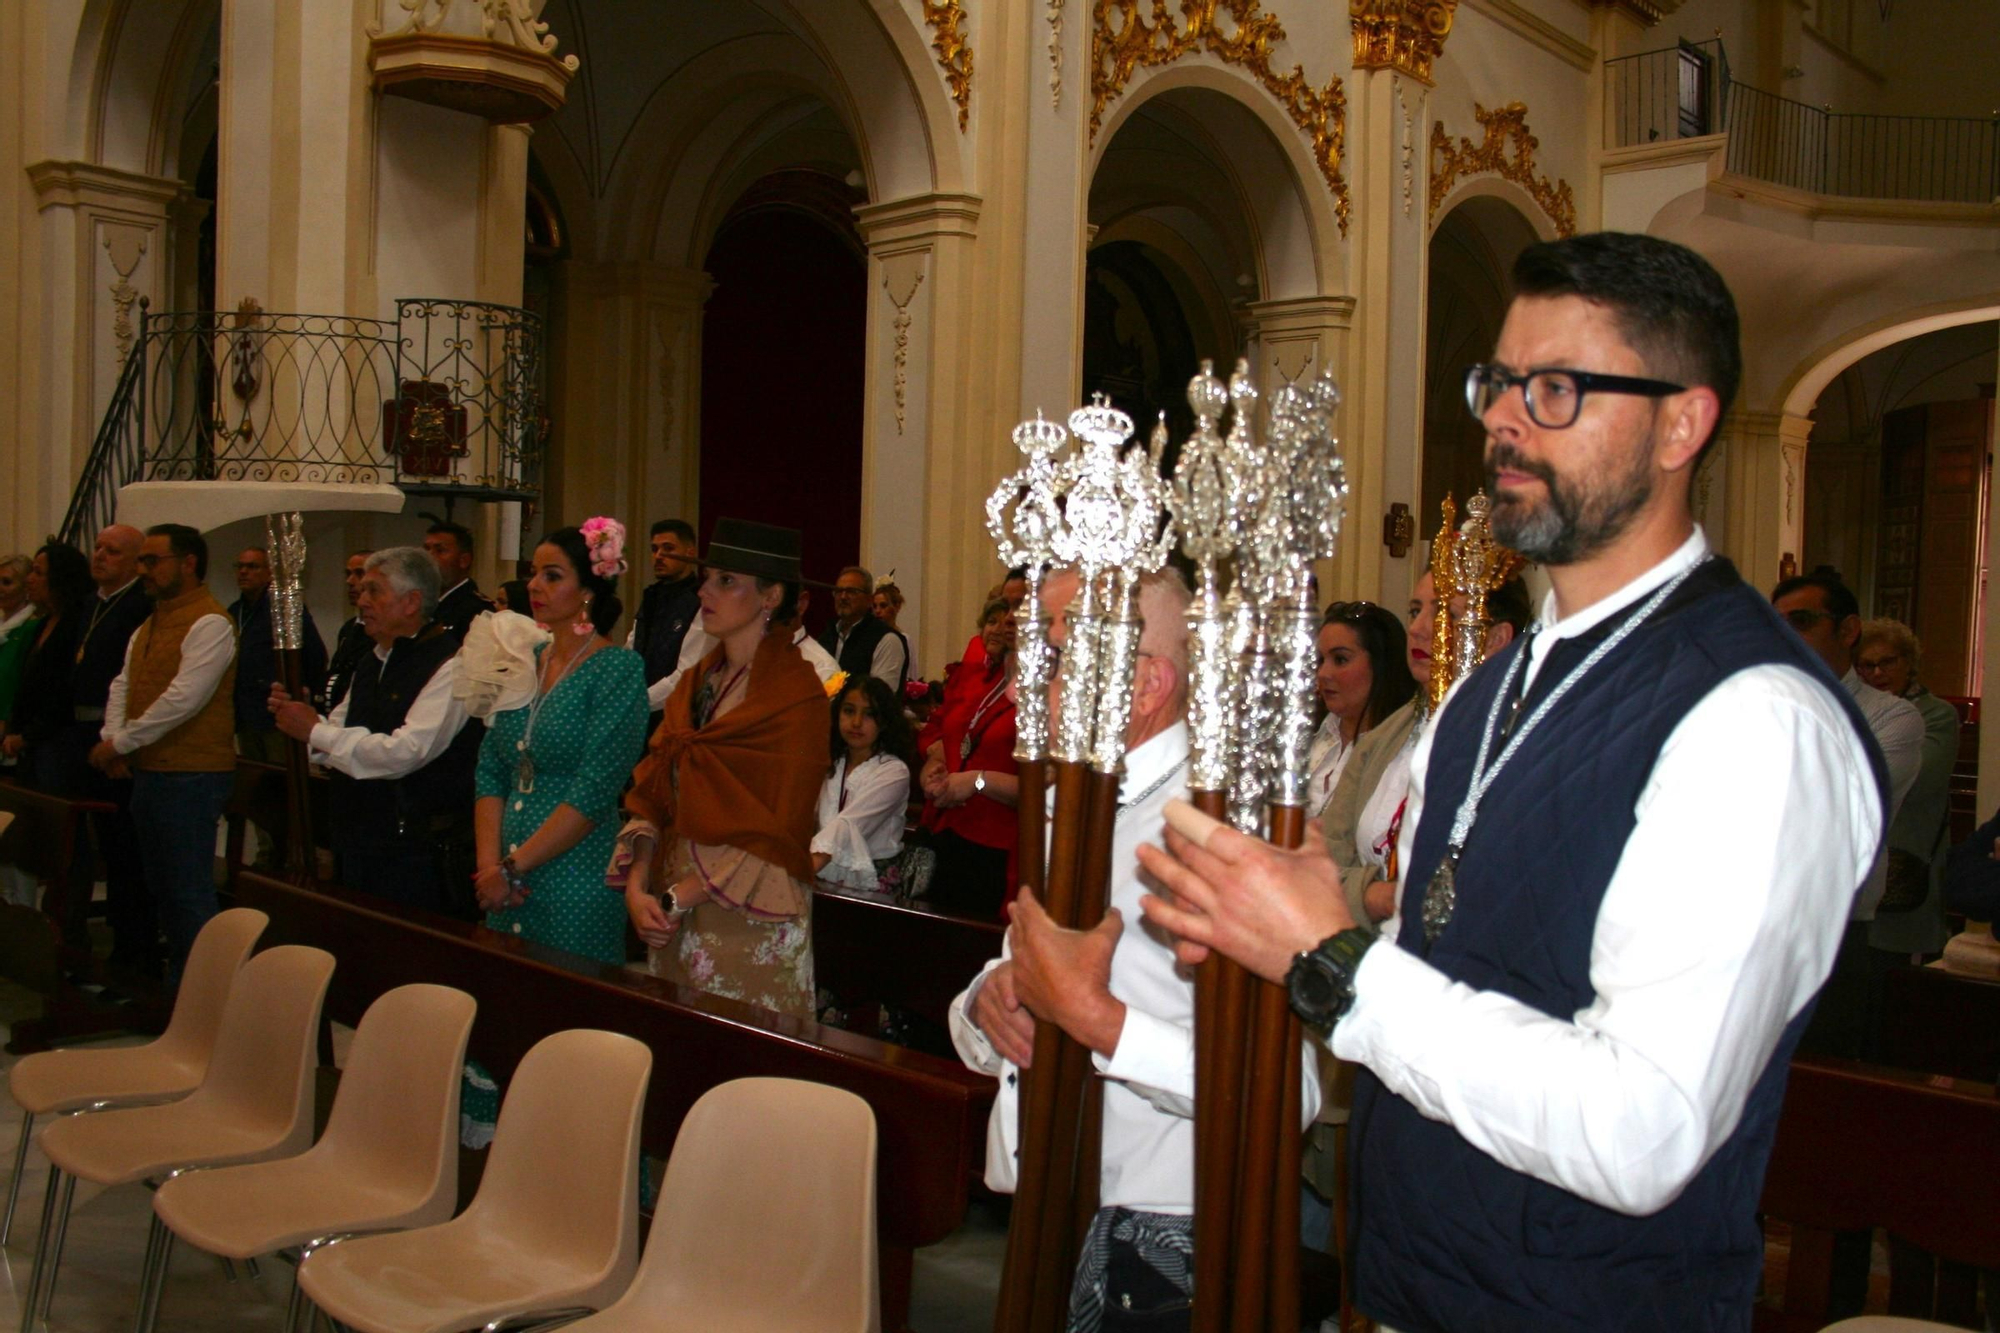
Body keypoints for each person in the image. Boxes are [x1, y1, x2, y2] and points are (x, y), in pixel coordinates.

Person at [1138, 232, 1887, 1333]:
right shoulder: (1489, 695)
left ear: (1683, 421)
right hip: (1401, 1290)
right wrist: (1287, 920)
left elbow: (1644, 1129)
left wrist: (1330, 958)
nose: (1500, 420)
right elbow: (1464, 972)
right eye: (1496, 383)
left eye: (1554, 389)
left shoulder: (1755, 721)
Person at [949, 566, 1320, 1328]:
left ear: (1147, 684)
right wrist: (986, 1005)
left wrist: (1102, 1025)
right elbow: (1022, 978)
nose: (1023, 691)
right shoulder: (1074, 804)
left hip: (1167, 1238)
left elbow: (1293, 1090)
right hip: (1060, 1201)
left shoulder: (1216, 834)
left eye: (1053, 661)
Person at [459, 519, 649, 1145]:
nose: (534, 585)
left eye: (552, 574)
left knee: (565, 1028)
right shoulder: (524, 661)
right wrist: (491, 868)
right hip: (504, 878)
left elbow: (595, 792)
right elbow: (491, 766)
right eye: (533, 572)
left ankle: (570, 1170)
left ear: (589, 590)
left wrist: (515, 867)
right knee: (505, 1016)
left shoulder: (616, 671)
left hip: (572, 877)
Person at [617, 518, 827, 1019]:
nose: (705, 591)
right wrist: (638, 885)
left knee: (749, 1073)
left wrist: (675, 898)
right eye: (707, 578)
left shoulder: (798, 696)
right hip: (671, 905)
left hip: (749, 912)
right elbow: (652, 789)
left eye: (726, 581)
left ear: (771, 596)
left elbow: (779, 830)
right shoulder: (694, 684)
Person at [268, 546, 482, 917]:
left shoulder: (451, 666)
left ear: (412, 601)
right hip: (358, 835)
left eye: (374, 591)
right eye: (361, 590)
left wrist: (314, 731)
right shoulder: (373, 659)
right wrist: (301, 720)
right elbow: (337, 729)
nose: (361, 600)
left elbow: (405, 752)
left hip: (413, 849)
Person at [1320, 571, 1528, 933]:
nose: (1418, 628)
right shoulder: (1382, 739)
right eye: (1415, 610)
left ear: (1496, 638)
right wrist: (1373, 895)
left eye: (1447, 613)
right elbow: (1324, 859)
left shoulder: (1515, 745)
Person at [1772, 568, 1922, 1066]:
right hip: (1750, 933)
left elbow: (1844, 806)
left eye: (1802, 621)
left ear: (1848, 629)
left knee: (1822, 1094)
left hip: (1834, 934)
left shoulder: (1892, 716)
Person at [91, 524, 240, 985]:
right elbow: (123, 684)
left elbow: (184, 699)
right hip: (152, 771)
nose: (144, 571)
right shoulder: (149, 622)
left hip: (192, 774)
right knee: (159, 887)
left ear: (188, 563)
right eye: (142, 562)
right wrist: (114, 736)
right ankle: (177, 982)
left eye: (152, 561)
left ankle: (204, 993)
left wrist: (121, 743)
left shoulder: (211, 622)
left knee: (188, 890)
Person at [64, 525, 156, 981]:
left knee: (126, 851)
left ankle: (134, 949)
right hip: (85, 735)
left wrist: (117, 742)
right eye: (98, 548)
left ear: (137, 562)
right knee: (103, 842)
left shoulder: (141, 606)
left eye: (112, 551)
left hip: (117, 741)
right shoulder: (91, 605)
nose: (99, 556)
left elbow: (132, 683)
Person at [1856, 617, 1959, 960]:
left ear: (1909, 663)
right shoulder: (1858, 710)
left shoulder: (1935, 714)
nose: (1877, 673)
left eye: (1888, 662)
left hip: (1908, 853)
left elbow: (1921, 779)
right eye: (1867, 665)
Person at [919, 596, 1021, 920]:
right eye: (1001, 613)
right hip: (950, 827)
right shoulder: (985, 675)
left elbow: (1045, 790)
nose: (1006, 620)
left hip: (998, 847)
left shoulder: (1049, 692)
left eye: (1016, 608)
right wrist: (935, 765)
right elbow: (952, 733)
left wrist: (977, 781)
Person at [228, 545, 326, 871]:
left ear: (270, 574)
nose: (244, 572)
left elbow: (313, 656)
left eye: (253, 567)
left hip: (276, 716)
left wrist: (298, 696)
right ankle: (267, 852)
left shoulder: (286, 608)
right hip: (244, 714)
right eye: (241, 566)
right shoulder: (234, 611)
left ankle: (290, 854)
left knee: (281, 789)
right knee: (255, 791)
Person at [1303, 601, 1416, 819]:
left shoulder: (1402, 749)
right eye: (1320, 660)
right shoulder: (1308, 732)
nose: (1323, 673)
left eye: (1340, 659)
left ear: (1380, 665)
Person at [4, 544, 94, 796]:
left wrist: (28, 734)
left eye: (38, 572)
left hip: (59, 740)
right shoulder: (44, 623)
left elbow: (63, 688)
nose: (30, 580)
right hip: (31, 741)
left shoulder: (76, 623)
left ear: (60, 578)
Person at [812, 675, 914, 893]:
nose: (856, 722)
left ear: (885, 721)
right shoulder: (833, 762)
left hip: (871, 880)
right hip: (822, 869)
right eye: (849, 711)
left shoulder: (894, 771)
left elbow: (850, 824)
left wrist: (805, 868)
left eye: (869, 714)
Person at [627, 519, 701, 699]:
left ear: (689, 552)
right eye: (654, 549)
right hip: (642, 709)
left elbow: (686, 673)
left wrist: (639, 702)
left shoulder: (701, 599)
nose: (659, 555)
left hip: (677, 712)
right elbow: (632, 648)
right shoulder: (651, 596)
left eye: (668, 548)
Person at [818, 564, 908, 693]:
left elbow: (880, 699)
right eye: (838, 591)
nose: (843, 597)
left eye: (851, 592)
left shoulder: (886, 639)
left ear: (869, 600)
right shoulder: (828, 635)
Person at [424, 520, 494, 643]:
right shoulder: (424, 605)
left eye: (440, 551)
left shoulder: (478, 611)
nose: (429, 557)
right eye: (427, 549)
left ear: (464, 560)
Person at [323, 548, 375, 711]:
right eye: (348, 574)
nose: (350, 581)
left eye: (359, 574)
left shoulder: (384, 630)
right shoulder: (349, 628)